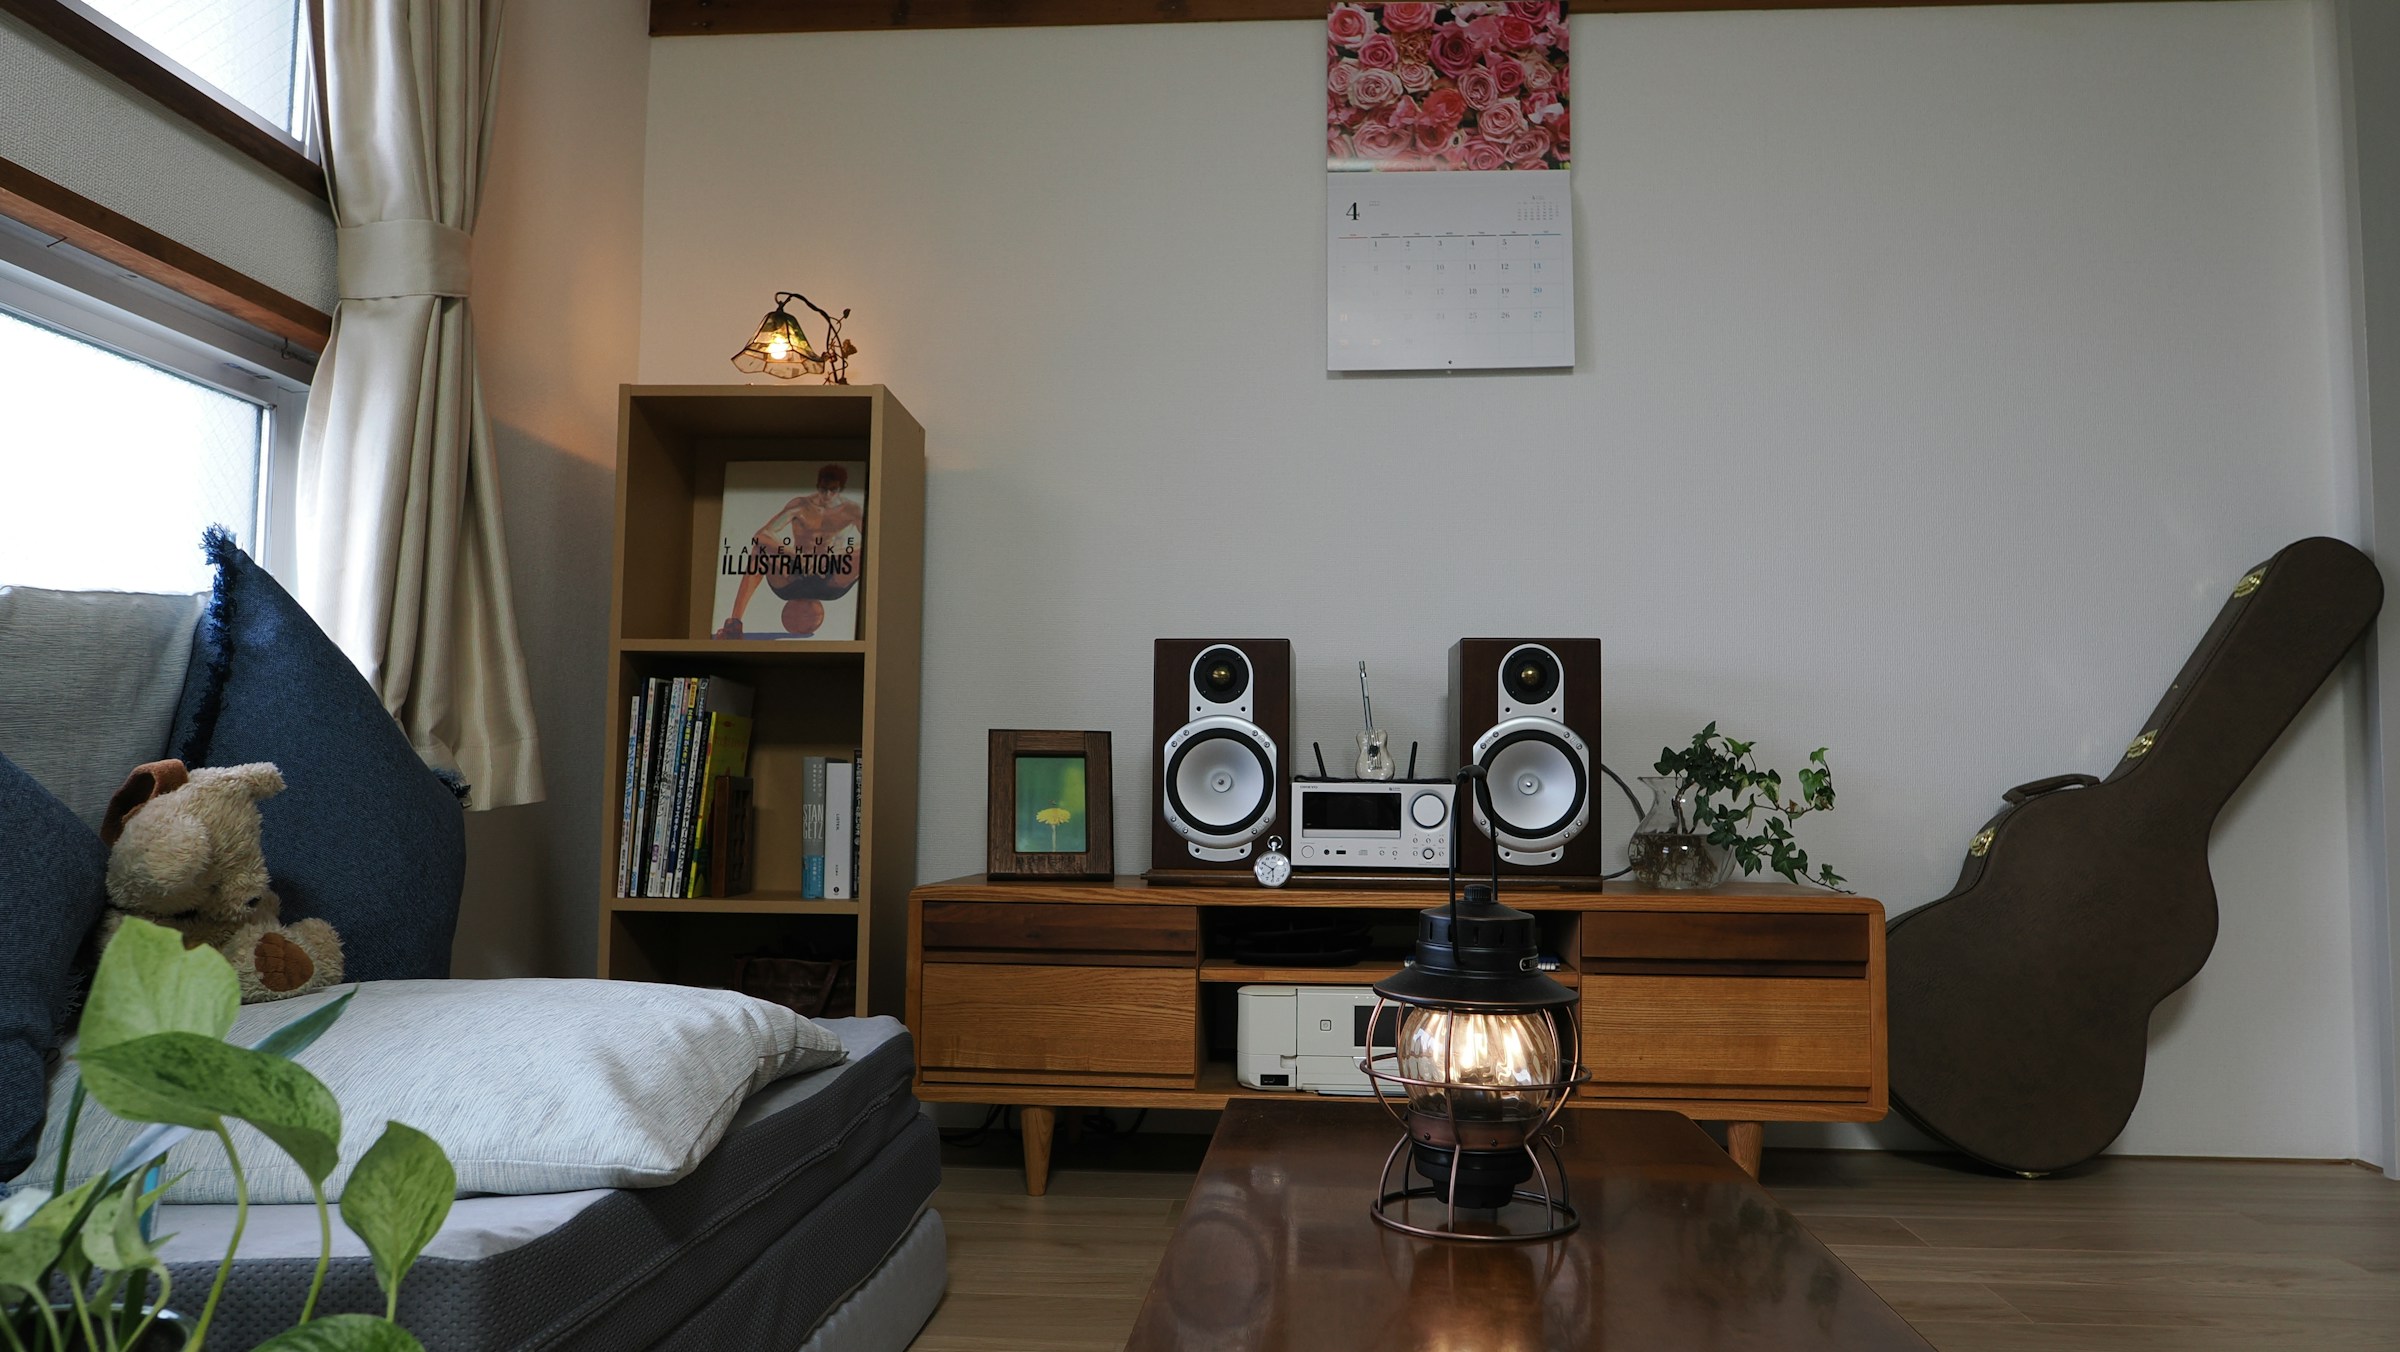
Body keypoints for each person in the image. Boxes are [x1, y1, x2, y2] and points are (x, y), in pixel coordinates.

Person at [715, 464, 866, 638]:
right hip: (794, 575)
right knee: (759, 551)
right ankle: (734, 623)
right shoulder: (800, 505)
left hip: (831, 578)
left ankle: (868, 629)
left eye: (833, 490)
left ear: (840, 489)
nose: (827, 495)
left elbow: (873, 544)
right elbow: (761, 535)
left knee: (866, 556)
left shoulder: (852, 510)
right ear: (818, 485)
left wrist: (835, 557)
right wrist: (795, 555)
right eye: (824, 489)